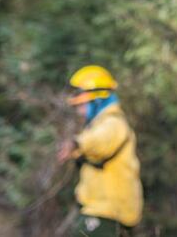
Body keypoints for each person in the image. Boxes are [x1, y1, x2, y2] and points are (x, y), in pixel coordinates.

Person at [57, 64, 143, 236]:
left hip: (109, 212)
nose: (79, 112)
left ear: (98, 99)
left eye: (82, 105)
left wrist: (76, 144)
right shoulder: (99, 124)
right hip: (103, 211)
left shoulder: (114, 123)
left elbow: (100, 140)